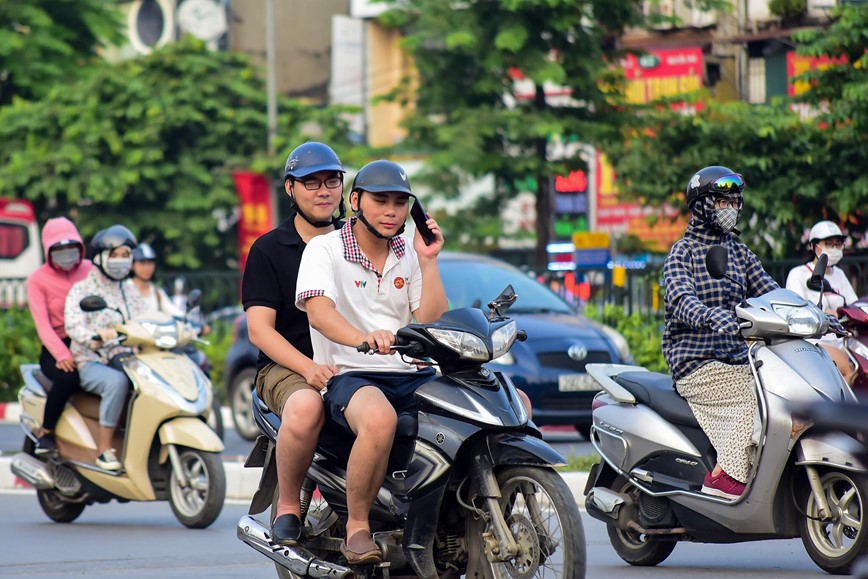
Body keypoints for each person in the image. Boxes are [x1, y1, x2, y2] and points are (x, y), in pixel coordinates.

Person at [296, 159, 448, 565]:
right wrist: (363, 338)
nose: (391, 210)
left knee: (488, 406)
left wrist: (430, 260)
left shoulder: (410, 254)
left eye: (401, 202)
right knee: (381, 419)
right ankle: (357, 528)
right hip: (350, 374)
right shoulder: (323, 249)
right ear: (356, 200)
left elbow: (432, 320)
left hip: (410, 373)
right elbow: (320, 313)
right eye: (381, 200)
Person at [241, 142, 346, 546]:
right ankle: (287, 505)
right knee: (306, 406)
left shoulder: (357, 241)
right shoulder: (269, 249)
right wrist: (309, 369)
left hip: (352, 360)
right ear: (290, 189)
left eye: (332, 181)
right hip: (287, 368)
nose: (323, 191)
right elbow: (260, 331)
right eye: (311, 182)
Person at [662, 166, 780, 501]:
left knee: (781, 387)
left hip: (736, 358)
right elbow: (682, 299)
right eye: (722, 201)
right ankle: (724, 476)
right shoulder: (682, 253)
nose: (730, 207)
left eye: (734, 201)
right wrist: (710, 316)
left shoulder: (740, 254)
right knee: (757, 392)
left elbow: (772, 293)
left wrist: (815, 315)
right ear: (702, 206)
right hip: (696, 362)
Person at [64, 225, 146, 471]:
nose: (122, 261)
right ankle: (104, 450)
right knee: (116, 382)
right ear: (100, 257)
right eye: (115, 255)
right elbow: (73, 324)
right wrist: (94, 337)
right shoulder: (82, 290)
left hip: (128, 359)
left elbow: (146, 318)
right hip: (92, 362)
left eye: (126, 255)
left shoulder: (129, 290)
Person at [26, 217, 94, 453]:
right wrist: (62, 354)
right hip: (58, 345)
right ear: (49, 251)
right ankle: (47, 431)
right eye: (59, 248)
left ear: (79, 247)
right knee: (69, 377)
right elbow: (42, 325)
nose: (66, 253)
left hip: (91, 341)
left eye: (70, 247)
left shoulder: (91, 270)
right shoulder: (37, 279)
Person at [785, 221, 858, 384]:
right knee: (850, 369)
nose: (833, 248)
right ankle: (842, 409)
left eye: (837, 244)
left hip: (842, 340)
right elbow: (796, 312)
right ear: (813, 246)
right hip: (814, 342)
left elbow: (854, 304)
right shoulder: (799, 275)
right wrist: (824, 314)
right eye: (828, 244)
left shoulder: (839, 274)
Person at [128, 242, 185, 318]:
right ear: (132, 265)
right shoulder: (124, 289)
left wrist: (188, 319)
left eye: (150, 263)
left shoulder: (156, 292)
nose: (147, 268)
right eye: (142, 263)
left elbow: (174, 312)